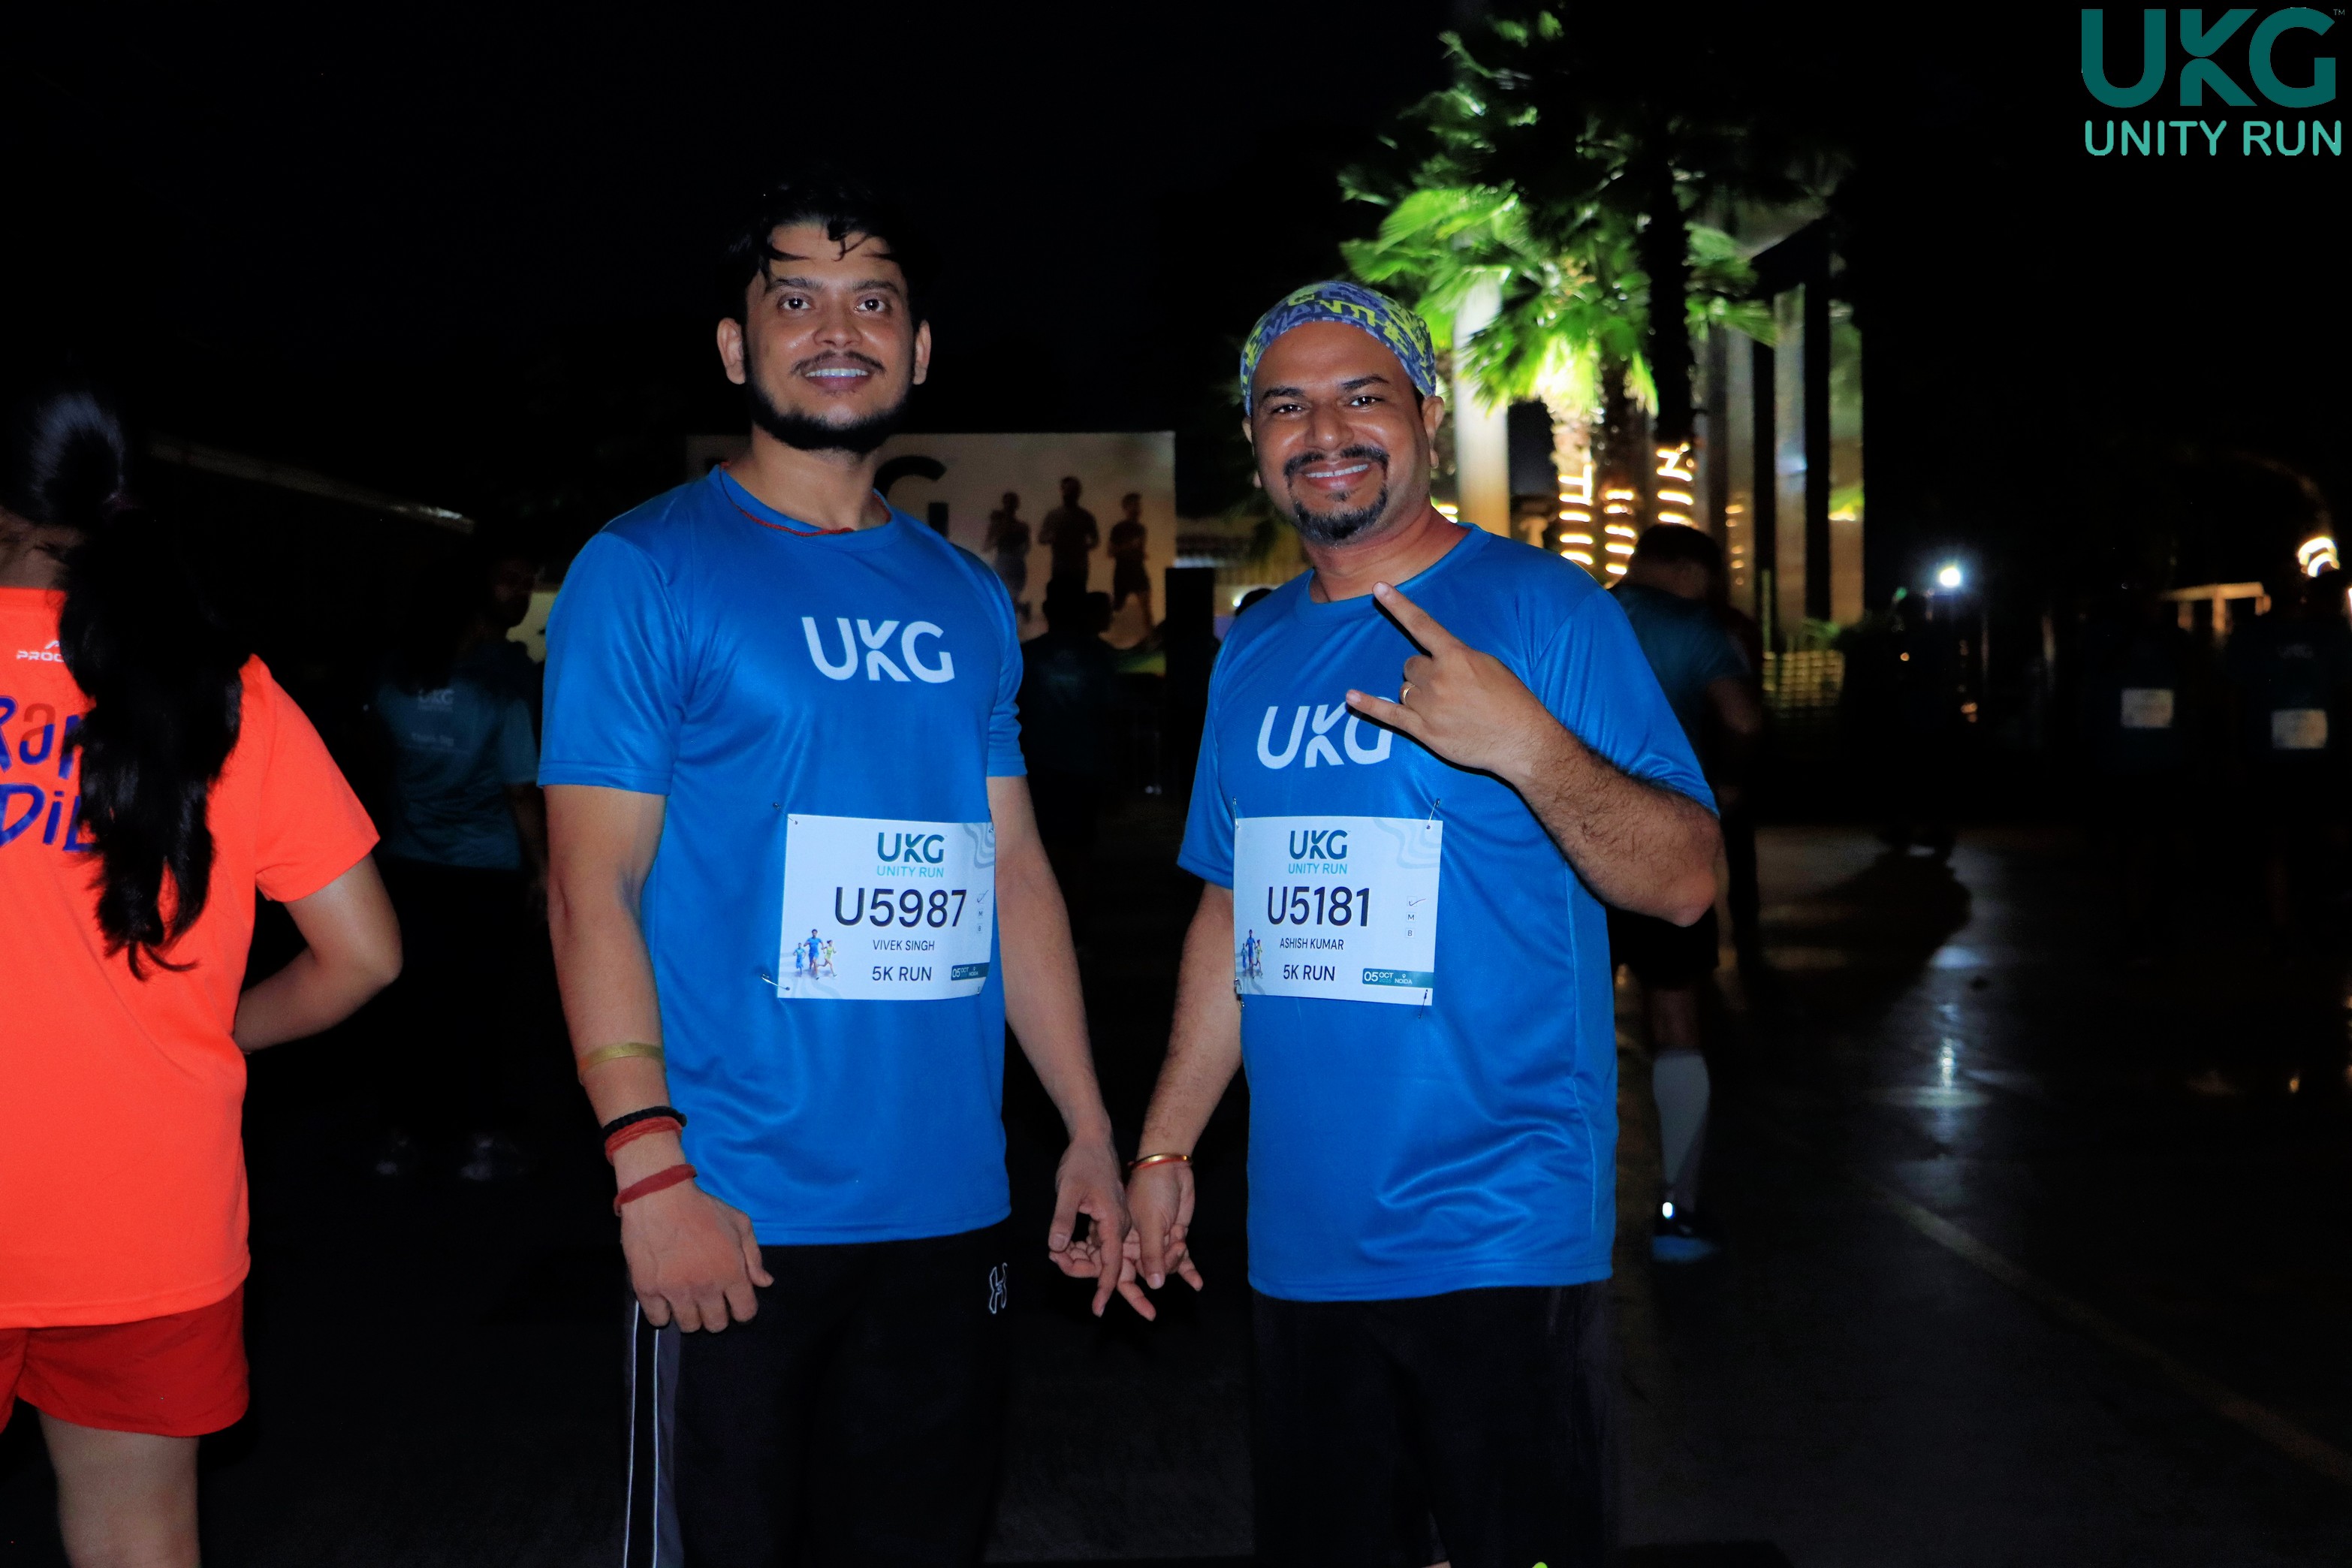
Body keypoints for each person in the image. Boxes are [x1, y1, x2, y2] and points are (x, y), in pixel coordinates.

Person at [539, 172, 1132, 1566]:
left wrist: (1087, 1129)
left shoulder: (965, 593)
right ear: (734, 347)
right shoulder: (647, 569)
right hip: (736, 1212)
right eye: (794, 300)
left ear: (917, 349)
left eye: (872, 302)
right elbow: (587, 887)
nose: (836, 329)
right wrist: (648, 1169)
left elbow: (1011, 871)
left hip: (952, 1210)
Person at [1120, 282, 1720, 1568]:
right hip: (1301, 1241)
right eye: (1287, 407)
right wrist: (1165, 1147)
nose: (1324, 431)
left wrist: (1525, 745)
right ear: (1255, 439)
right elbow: (1233, 906)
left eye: (1361, 397)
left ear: (1427, 420)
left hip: (1500, 1231)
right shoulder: (1254, 651)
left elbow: (1683, 880)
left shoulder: (1545, 610)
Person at [0, 385, 400, 1568]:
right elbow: (366, 955)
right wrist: (215, 1031)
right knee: (136, 1541)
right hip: (148, 1216)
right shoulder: (225, 688)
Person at [1608, 523, 1762, 1260]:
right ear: (1685, 570)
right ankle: (1679, 1210)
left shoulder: (1581, 614)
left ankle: (1559, 1211)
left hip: (1575, 847)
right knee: (1676, 1018)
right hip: (1666, 846)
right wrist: (1727, 784)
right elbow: (1742, 718)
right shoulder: (1695, 627)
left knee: (1569, 1021)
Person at [368, 552, 548, 1181]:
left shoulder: (391, 689)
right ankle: (478, 1139)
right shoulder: (499, 698)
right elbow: (520, 793)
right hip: (484, 872)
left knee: (413, 1001)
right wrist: (542, 867)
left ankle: (400, 1135)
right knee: (479, 1003)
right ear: (472, 619)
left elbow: (381, 769)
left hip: (409, 864)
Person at [2226, 563, 2352, 949]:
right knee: (2279, 841)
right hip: (2272, 758)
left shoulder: (2328, 634)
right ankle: (2285, 928)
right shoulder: (2253, 636)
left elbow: (2345, 694)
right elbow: (2235, 697)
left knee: (2320, 837)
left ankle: (2312, 917)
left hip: (2319, 758)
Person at [1039, 474, 1097, 590]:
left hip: (1078, 566)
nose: (1070, 493)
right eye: (1068, 490)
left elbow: (1095, 540)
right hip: (1061, 565)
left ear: (1078, 492)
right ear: (1062, 491)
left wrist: (1084, 547)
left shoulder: (1085, 516)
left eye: (1073, 490)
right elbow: (1042, 538)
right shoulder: (1054, 516)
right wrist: (1051, 538)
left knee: (1076, 596)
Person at [985, 490, 1031, 624]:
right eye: (1007, 503)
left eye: (1011, 503)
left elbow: (1026, 547)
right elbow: (987, 545)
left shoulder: (1020, 527)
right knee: (1006, 598)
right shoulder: (1000, 525)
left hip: (1012, 563)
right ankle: (1020, 611)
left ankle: (1017, 615)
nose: (1009, 506)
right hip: (1006, 562)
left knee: (1009, 597)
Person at [1108, 490, 1150, 617]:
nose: (1138, 509)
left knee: (1146, 607)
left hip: (1138, 571)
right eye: (1135, 505)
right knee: (1117, 607)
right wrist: (1128, 547)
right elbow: (1110, 552)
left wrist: (1141, 554)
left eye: (1138, 505)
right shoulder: (1118, 529)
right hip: (1123, 573)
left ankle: (1151, 633)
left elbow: (1139, 550)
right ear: (1126, 508)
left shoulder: (1141, 529)